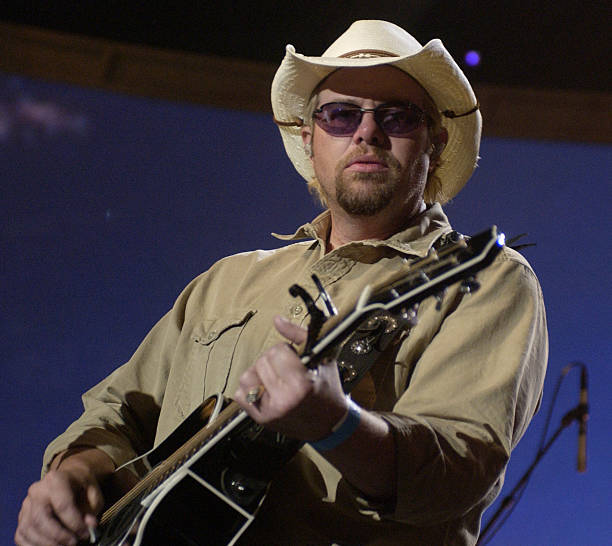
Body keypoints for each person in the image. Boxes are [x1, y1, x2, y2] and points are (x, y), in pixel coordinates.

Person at [15, 20, 547, 546]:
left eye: (397, 116)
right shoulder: (227, 280)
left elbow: (454, 472)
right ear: (308, 137)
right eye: (340, 115)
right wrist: (75, 472)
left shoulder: (490, 281)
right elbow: (117, 410)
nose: (367, 132)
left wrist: (337, 424)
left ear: (435, 139)